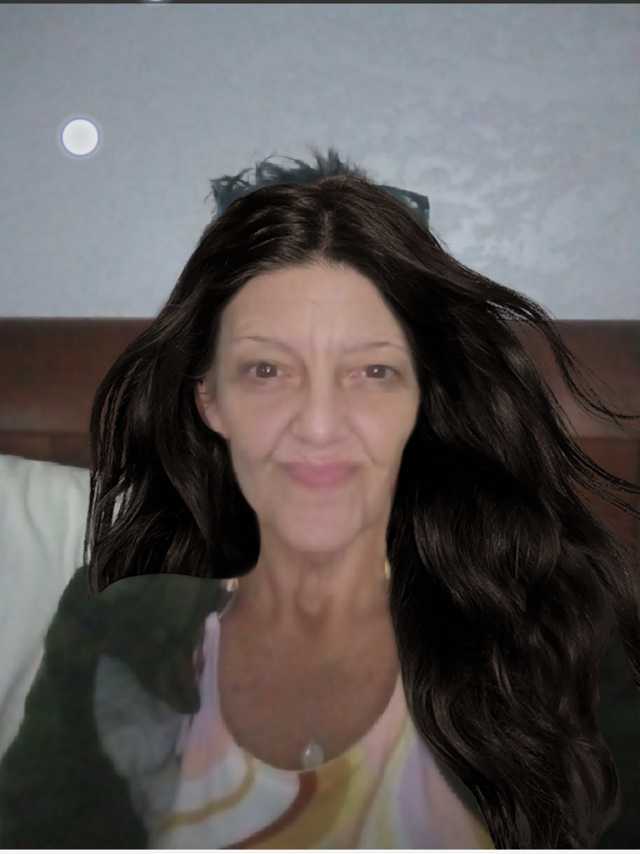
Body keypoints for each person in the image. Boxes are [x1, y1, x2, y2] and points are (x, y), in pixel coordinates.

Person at [0, 147, 639, 848]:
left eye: (373, 371)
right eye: (267, 370)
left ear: (425, 396)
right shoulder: (118, 624)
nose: (320, 424)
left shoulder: (557, 621)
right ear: (210, 398)